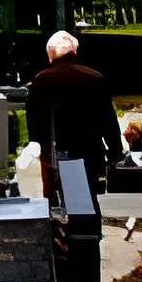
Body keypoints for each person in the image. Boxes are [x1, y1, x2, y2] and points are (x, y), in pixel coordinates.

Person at [28, 30, 123, 193]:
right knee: (90, 199)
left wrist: (37, 152)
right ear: (74, 52)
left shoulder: (42, 80)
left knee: (64, 201)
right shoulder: (95, 78)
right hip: (91, 150)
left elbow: (34, 121)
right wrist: (116, 152)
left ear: (50, 55)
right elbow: (108, 120)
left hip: (57, 151)